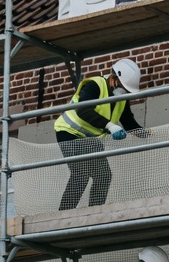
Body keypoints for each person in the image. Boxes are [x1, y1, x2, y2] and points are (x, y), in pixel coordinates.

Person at [55, 58, 148, 210]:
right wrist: (110, 126)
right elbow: (83, 110)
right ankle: (63, 215)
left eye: (127, 89)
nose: (124, 91)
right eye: (123, 86)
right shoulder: (94, 85)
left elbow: (129, 123)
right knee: (81, 174)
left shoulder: (121, 99)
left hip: (91, 139)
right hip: (69, 132)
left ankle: (94, 212)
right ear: (114, 78)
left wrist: (144, 133)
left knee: (103, 176)